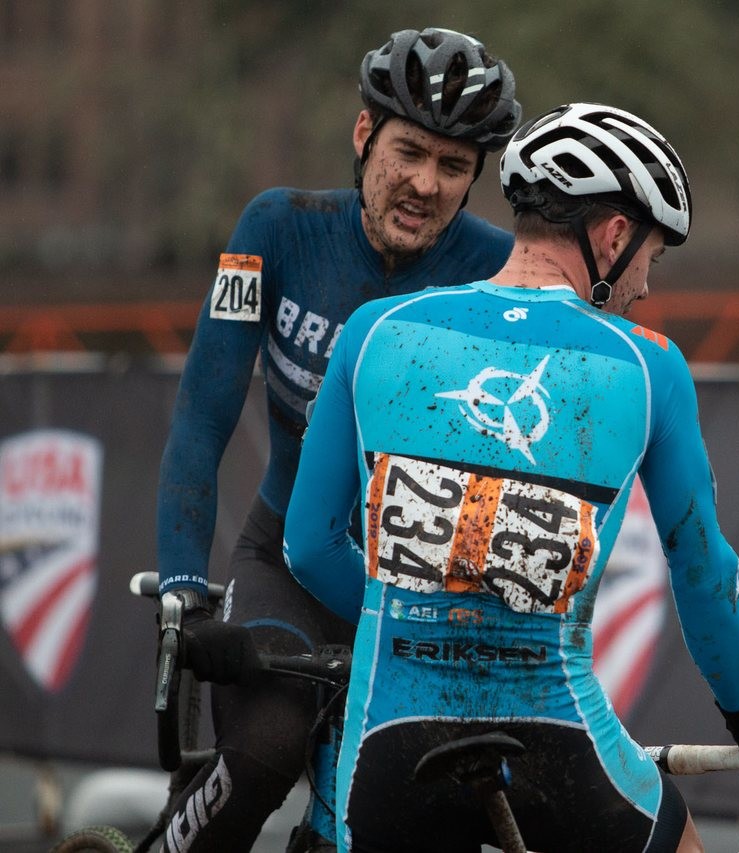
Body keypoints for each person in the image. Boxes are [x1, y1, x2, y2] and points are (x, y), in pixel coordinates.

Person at [283, 102, 739, 853]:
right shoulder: (648, 364)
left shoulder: (374, 331)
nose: (644, 284)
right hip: (554, 741)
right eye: (650, 256)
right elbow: (705, 574)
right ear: (613, 236)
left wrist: (413, 619)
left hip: (389, 743)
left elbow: (309, 546)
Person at [153, 27, 521, 852]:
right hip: (287, 564)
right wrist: (184, 589)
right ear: (364, 137)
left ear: (475, 179)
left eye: (453, 166)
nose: (425, 184)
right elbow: (202, 419)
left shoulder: (500, 274)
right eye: (408, 152)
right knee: (263, 754)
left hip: (422, 589)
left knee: (439, 812)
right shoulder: (276, 228)